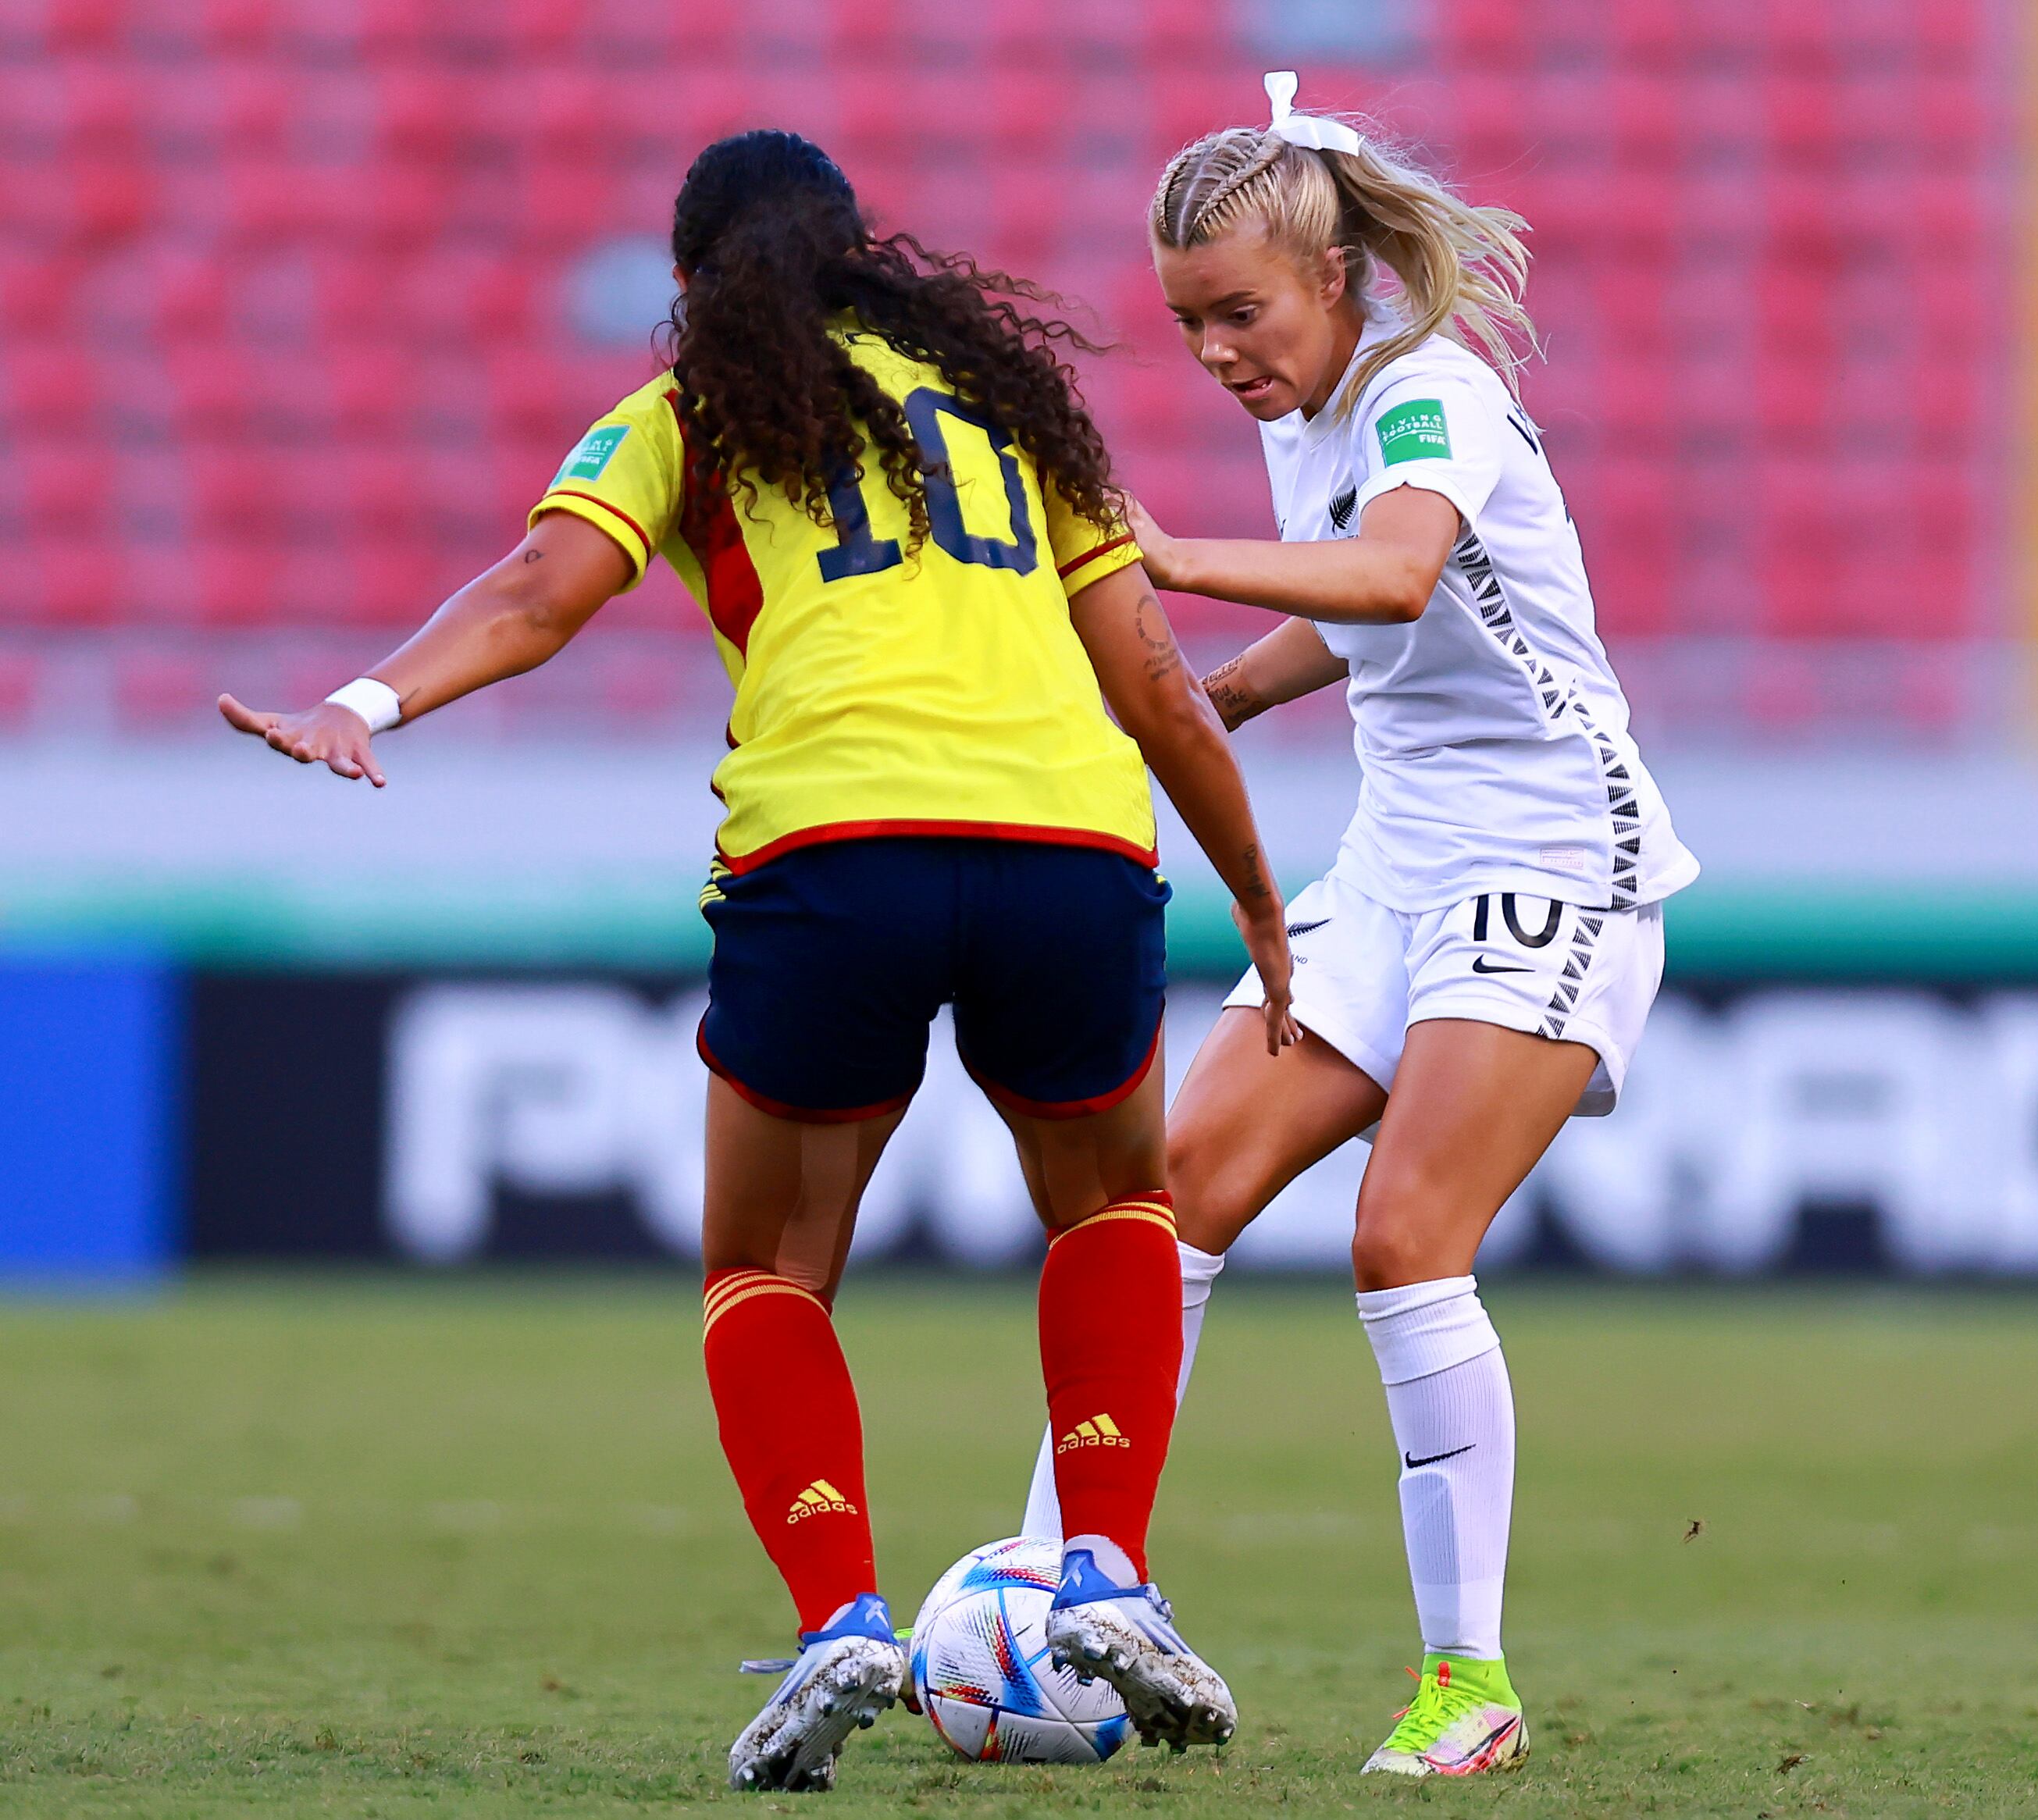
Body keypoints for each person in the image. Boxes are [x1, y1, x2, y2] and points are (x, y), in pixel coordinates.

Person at [217, 130, 1296, 1793]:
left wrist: (364, 703)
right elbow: (1156, 680)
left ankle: (839, 1612)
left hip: (831, 855)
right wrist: (1261, 898)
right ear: (867, 253)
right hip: (1068, 851)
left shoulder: (694, 405)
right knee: (1113, 1208)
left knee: (767, 1267)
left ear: (687, 282)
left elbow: (537, 589)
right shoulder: (1014, 407)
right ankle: (1108, 1569)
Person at [1021, 75, 1699, 1778]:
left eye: (1241, 312)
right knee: (1160, 1196)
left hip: (1555, 852)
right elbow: (1365, 619)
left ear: (1335, 279)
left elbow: (1396, 574)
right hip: (1397, 860)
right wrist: (1226, 697)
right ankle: (1056, 1592)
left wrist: (1169, 560)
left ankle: (1468, 1681)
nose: (1220, 351)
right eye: (1189, 323)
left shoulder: (1427, 395)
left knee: (1403, 1242)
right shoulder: (1305, 412)